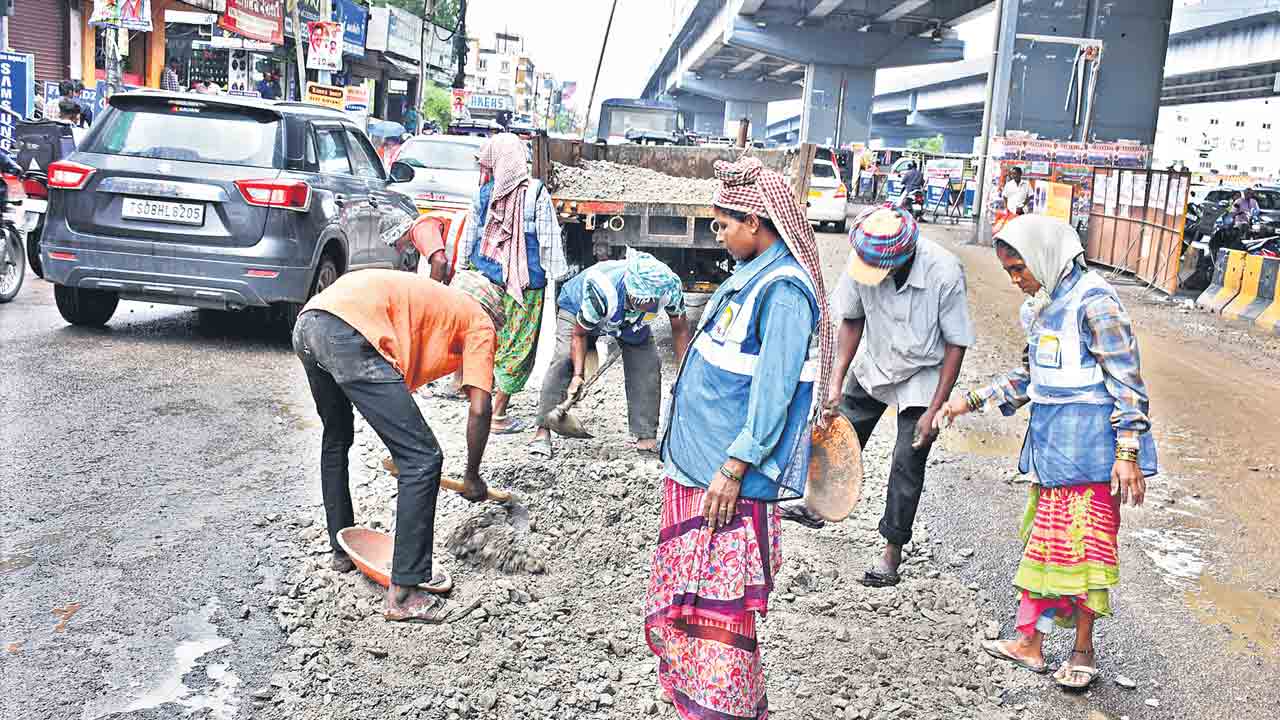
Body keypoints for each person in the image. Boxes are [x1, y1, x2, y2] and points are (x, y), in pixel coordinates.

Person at [644, 156, 834, 720]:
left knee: (719, 620)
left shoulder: (783, 292)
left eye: (725, 224)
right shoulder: (751, 276)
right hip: (698, 471)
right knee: (694, 611)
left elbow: (773, 396)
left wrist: (734, 468)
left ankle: (722, 709)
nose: (719, 234)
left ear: (757, 221)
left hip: (727, 483)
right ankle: (699, 705)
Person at [938, 215, 1157, 690]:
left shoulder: (1095, 302)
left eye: (1020, 269)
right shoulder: (1045, 306)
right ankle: (1029, 643)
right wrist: (969, 400)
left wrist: (1128, 452)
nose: (1017, 280)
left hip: (1093, 458)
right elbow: (1032, 379)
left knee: (1084, 554)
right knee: (1047, 548)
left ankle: (1083, 651)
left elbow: (1127, 382)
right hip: (1054, 455)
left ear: (1043, 257)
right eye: (1011, 272)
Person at [292, 269, 506, 623]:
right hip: (348, 331)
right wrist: (472, 476)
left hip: (310, 324)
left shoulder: (433, 306)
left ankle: (341, 551)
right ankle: (405, 591)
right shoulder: (479, 321)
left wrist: (399, 446)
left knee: (337, 436)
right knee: (424, 459)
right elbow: (481, 408)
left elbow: (391, 391)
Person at [818, 204, 973, 586]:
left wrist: (934, 410)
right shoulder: (863, 260)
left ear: (902, 258)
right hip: (878, 359)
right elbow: (852, 319)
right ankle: (816, 505)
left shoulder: (944, 271)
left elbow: (956, 344)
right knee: (838, 431)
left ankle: (892, 549)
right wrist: (836, 380)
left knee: (909, 458)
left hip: (924, 370)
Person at [530, 248, 690, 459]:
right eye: (637, 300)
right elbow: (579, 334)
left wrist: (683, 372)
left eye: (648, 303)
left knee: (647, 364)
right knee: (563, 359)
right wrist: (578, 376)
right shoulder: (602, 290)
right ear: (628, 287)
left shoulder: (670, 287)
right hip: (577, 307)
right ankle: (543, 430)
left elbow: (680, 329)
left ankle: (646, 437)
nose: (644, 306)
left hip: (630, 324)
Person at [460, 133, 569, 435]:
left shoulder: (484, 193)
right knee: (517, 346)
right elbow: (548, 240)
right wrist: (558, 279)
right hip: (527, 287)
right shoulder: (536, 194)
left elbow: (470, 235)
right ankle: (497, 414)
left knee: (487, 341)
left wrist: (463, 268)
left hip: (487, 281)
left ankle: (480, 405)